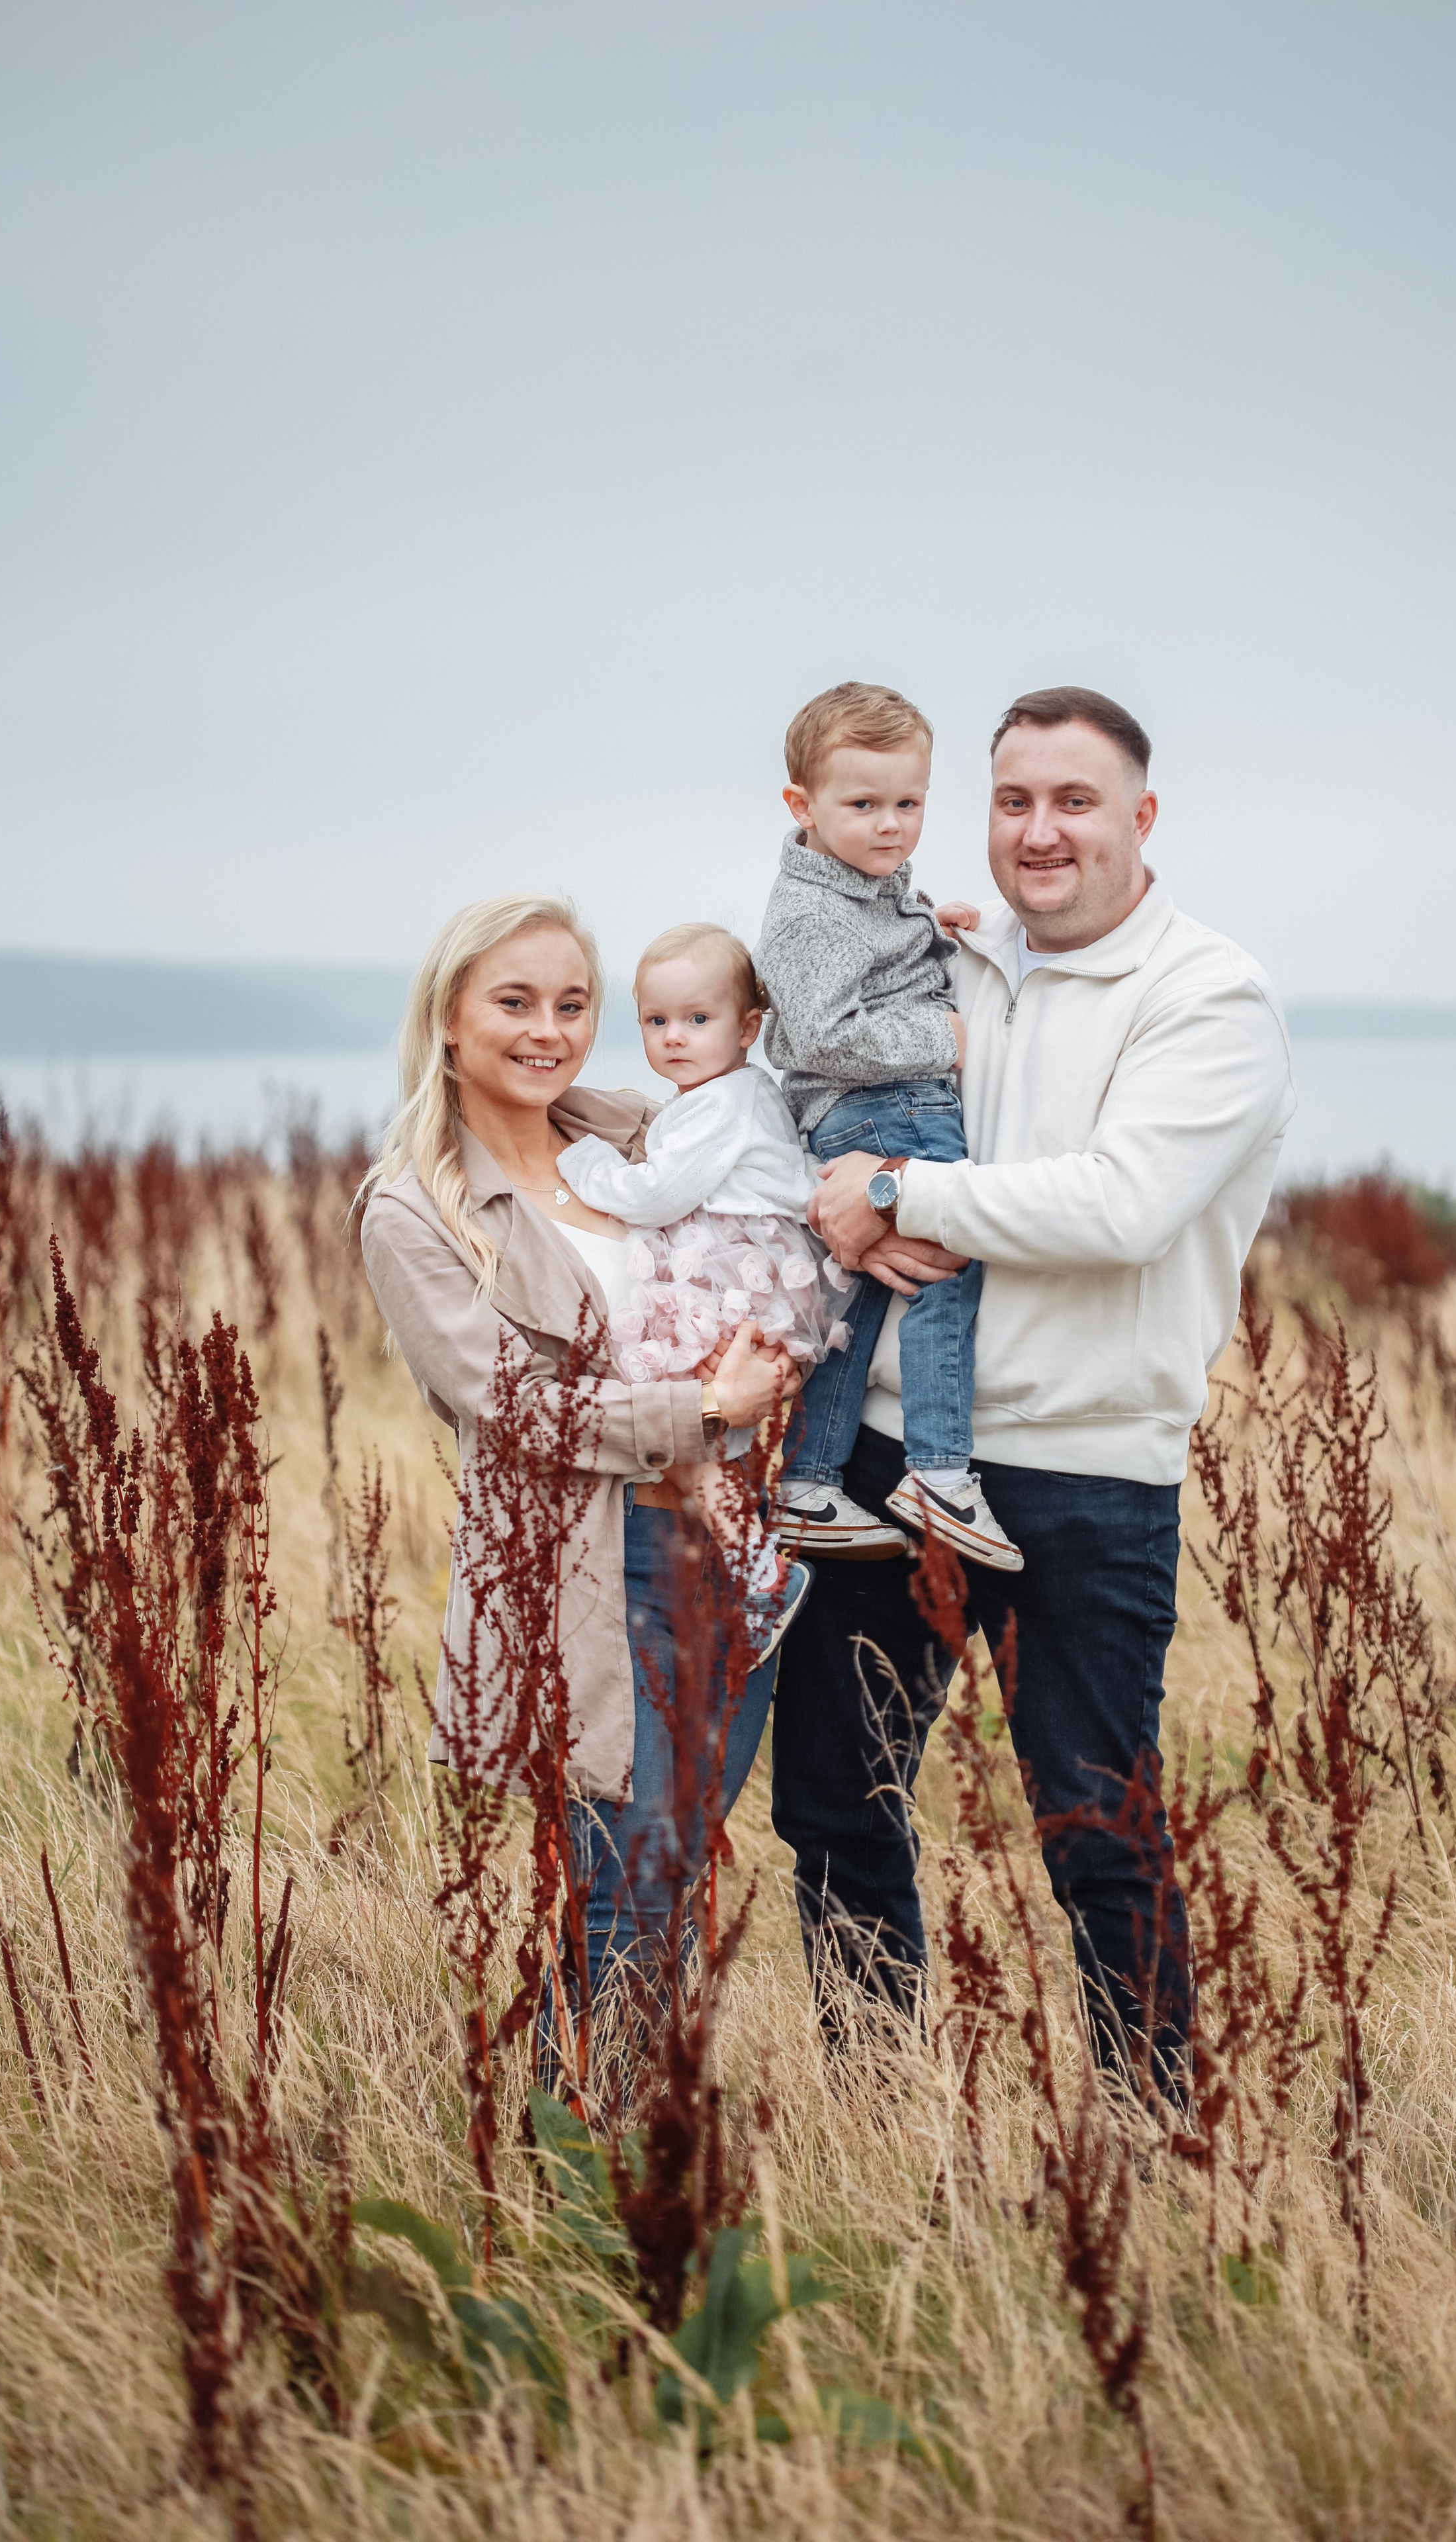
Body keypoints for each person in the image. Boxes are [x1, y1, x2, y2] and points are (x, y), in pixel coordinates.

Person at [770, 686, 1296, 2098]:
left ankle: (1148, 2138)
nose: (1039, 831)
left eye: (1073, 801)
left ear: (1139, 817)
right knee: (835, 1804)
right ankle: (877, 2117)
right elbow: (818, 1091)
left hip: (1083, 1476)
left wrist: (897, 1190)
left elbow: (1121, 1205)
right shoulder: (952, 964)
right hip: (888, 1456)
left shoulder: (1209, 996)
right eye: (1013, 802)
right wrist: (846, 1200)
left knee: (1093, 1825)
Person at [358, 894, 801, 2025]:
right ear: (449, 1018)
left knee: (680, 1863)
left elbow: (773, 1128)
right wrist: (699, 1406)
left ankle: (623, 2156)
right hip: (598, 1565)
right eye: (514, 1002)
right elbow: (510, 1405)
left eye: (572, 1004)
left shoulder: (632, 1133)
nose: (547, 1031)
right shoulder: (416, 1208)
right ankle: (598, 2183)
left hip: (734, 1543)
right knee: (627, 1878)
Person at [755, 680, 1023, 1574]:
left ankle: (807, 1481)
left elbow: (874, 968)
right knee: (947, 1264)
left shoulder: (865, 887)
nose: (890, 825)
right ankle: (939, 1472)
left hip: (881, 1108)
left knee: (863, 1298)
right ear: (803, 805)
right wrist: (941, 1036)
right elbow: (826, 1031)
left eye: (908, 803)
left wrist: (941, 932)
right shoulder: (811, 911)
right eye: (863, 804)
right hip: (885, 1108)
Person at [556, 919, 847, 1642]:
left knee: (682, 1422)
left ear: (749, 1027)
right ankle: (755, 1570)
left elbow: (655, 1193)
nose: (674, 1038)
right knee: (691, 1433)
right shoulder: (728, 1096)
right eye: (656, 1021)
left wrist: (586, 1166)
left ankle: (762, 1576)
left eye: (696, 1019)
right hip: (753, 1274)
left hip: (740, 1277)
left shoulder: (725, 1103)